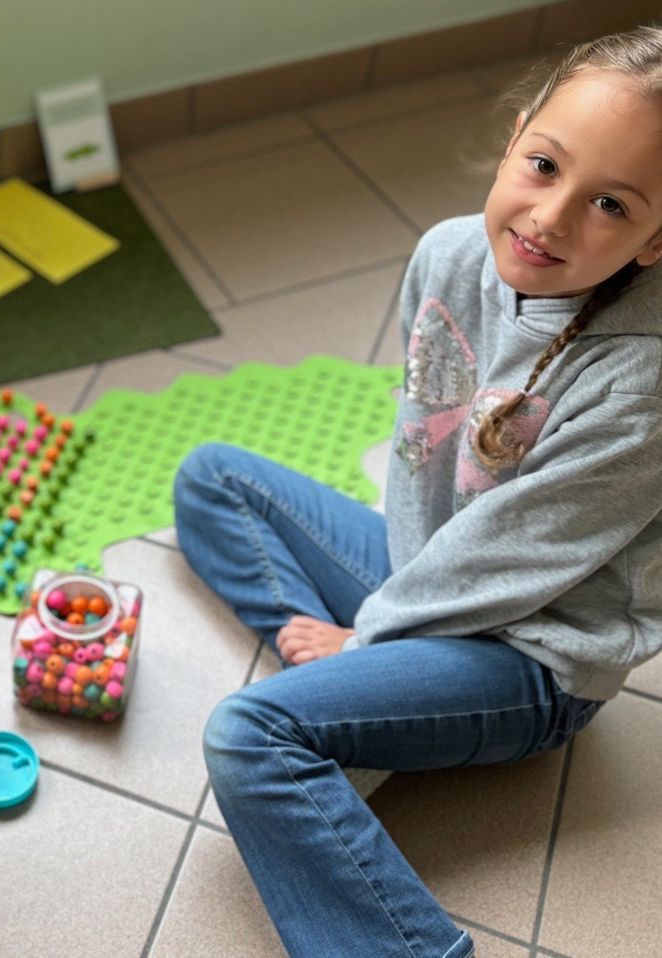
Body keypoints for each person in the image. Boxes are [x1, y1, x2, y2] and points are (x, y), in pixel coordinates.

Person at [173, 25, 662, 958]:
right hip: (430, 568)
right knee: (213, 478)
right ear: (517, 135)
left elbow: (511, 563)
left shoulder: (641, 384)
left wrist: (370, 633)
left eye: (609, 203)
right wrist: (376, 630)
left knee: (250, 738)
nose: (552, 218)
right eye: (544, 164)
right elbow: (420, 450)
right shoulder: (447, 254)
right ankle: (352, 692)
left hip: (532, 653)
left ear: (656, 240)